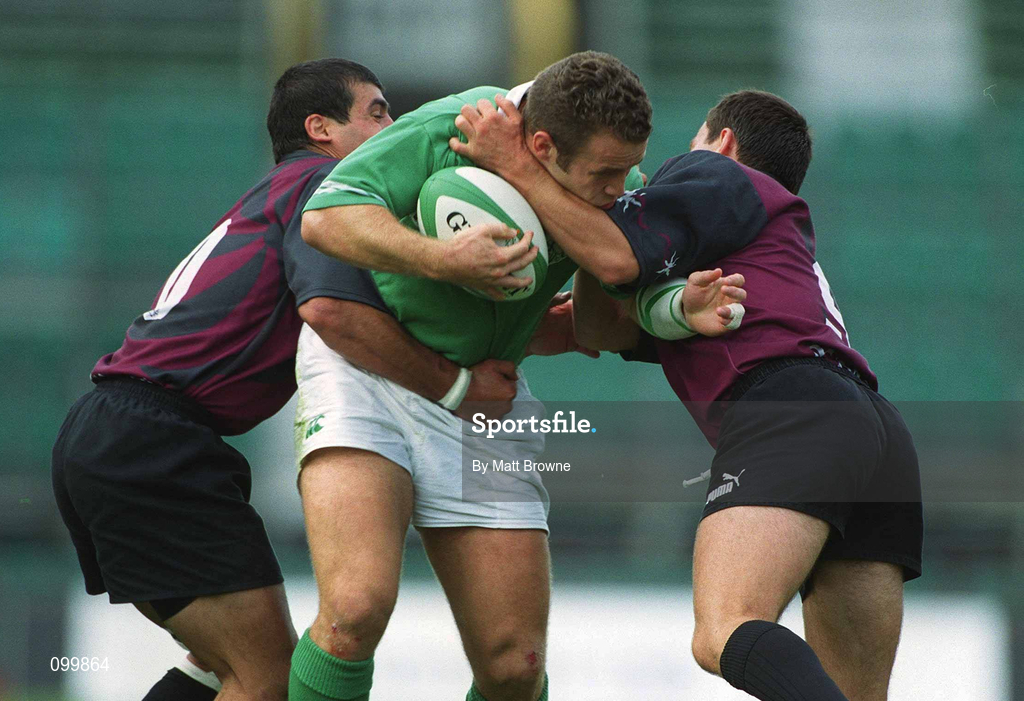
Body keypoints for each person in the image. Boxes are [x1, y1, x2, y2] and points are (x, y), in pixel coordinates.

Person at [50, 58, 535, 701]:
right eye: (377, 112)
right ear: (321, 129)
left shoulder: (278, 192)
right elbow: (332, 312)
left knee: (218, 660)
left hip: (117, 434)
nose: (392, 126)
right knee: (268, 679)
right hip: (155, 444)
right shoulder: (325, 186)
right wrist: (457, 388)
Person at [291, 51, 745, 701]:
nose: (624, 187)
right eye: (606, 173)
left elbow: (597, 324)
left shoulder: (604, 180)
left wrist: (674, 310)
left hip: (488, 402)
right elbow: (325, 218)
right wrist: (442, 260)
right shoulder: (448, 126)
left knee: (515, 665)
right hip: (369, 374)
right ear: (541, 144)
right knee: (355, 608)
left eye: (628, 168)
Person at [450, 89, 923, 701]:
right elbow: (600, 326)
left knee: (723, 629)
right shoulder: (756, 245)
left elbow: (618, 259)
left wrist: (517, 168)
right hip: (875, 430)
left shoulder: (716, 174)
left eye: (695, 137)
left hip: (790, 407)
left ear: (722, 141)